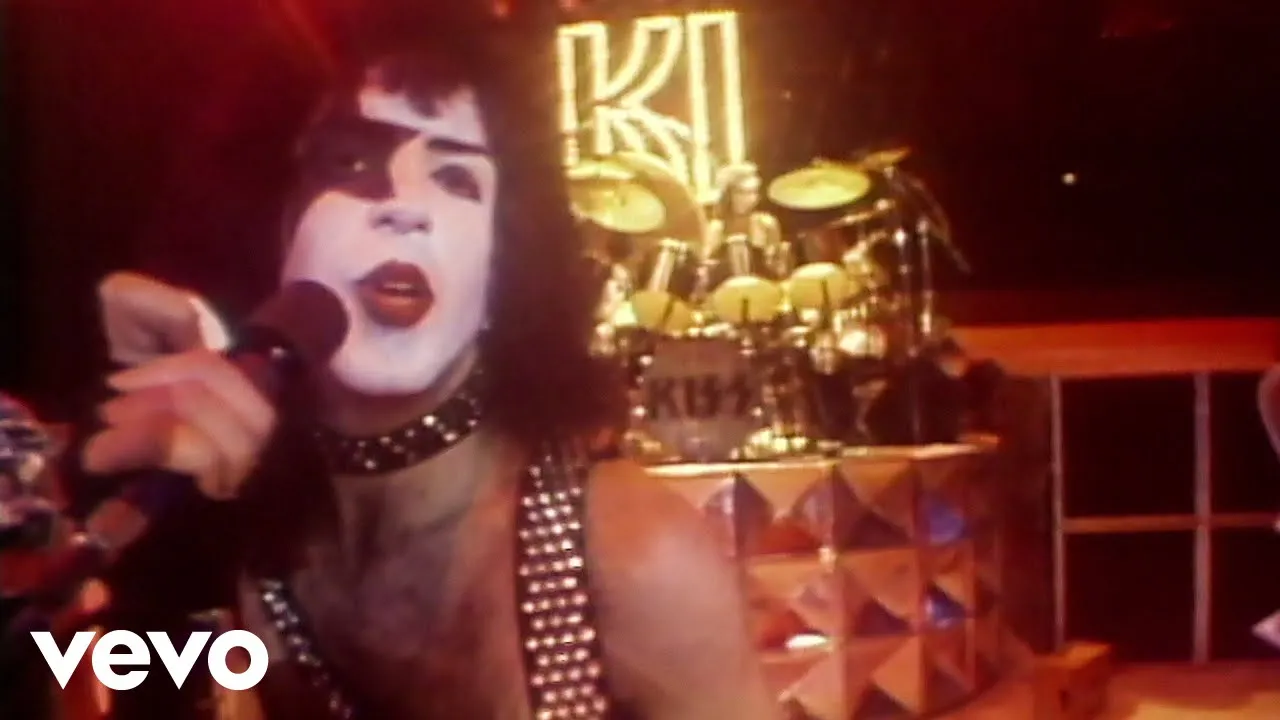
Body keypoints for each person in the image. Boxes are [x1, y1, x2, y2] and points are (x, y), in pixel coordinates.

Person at [82, 10, 778, 720]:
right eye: (350, 162)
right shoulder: (250, 546)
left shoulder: (633, 559)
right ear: (272, 222)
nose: (406, 206)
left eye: (455, 178)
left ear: (505, 266)